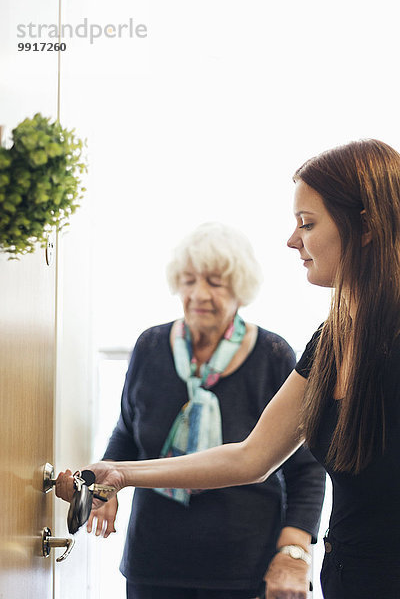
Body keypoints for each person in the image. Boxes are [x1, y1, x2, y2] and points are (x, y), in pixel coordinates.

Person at [56, 138, 400, 598]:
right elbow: (251, 457)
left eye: (308, 223)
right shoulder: (331, 341)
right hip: (346, 579)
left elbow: (298, 473)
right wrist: (120, 474)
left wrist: (293, 550)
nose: (292, 239)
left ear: (366, 227)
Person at [84, 222, 325, 599]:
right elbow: (128, 433)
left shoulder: (273, 356)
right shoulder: (149, 346)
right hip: (154, 560)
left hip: (244, 565)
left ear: (240, 288)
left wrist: (293, 554)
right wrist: (106, 488)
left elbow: (305, 467)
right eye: (189, 280)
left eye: (215, 282)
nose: (199, 294)